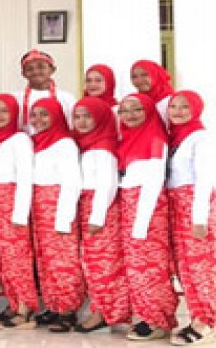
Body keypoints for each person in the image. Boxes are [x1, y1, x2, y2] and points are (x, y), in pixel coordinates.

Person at [166, 91, 216, 345]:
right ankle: (196, 317)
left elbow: (204, 179)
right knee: (186, 267)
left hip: (194, 207)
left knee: (202, 265)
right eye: (173, 106)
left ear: (196, 109)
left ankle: (206, 322)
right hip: (176, 207)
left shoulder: (200, 137)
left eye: (184, 107)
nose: (178, 111)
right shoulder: (175, 137)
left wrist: (199, 218)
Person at [116, 93, 178, 341]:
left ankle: (158, 320)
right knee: (138, 268)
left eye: (137, 109)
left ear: (149, 111)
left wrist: (141, 225)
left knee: (151, 268)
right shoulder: (128, 138)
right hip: (131, 210)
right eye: (124, 110)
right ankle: (147, 316)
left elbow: (153, 182)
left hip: (148, 214)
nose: (129, 115)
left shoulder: (155, 138)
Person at [70, 96, 130, 332]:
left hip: (101, 211)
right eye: (77, 117)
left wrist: (97, 217)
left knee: (102, 262)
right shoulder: (87, 144)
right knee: (93, 262)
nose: (82, 122)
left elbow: (107, 184)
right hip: (89, 206)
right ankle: (103, 309)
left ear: (101, 118)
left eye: (88, 116)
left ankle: (105, 312)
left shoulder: (103, 148)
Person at [28, 97, 84, 332]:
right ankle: (54, 305)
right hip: (39, 207)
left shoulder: (64, 143)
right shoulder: (36, 141)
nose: (38, 120)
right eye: (34, 115)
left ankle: (68, 311)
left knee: (63, 260)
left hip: (57, 207)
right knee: (46, 260)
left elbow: (72, 181)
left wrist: (64, 218)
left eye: (44, 114)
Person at [0, 94, 39, 330]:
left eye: (4, 111)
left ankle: (26, 311)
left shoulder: (20, 139)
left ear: (15, 114)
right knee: (2, 259)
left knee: (17, 259)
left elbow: (26, 177)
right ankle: (14, 303)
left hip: (11, 205)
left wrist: (20, 214)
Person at [16, 49, 76, 130]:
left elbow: (73, 127)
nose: (36, 72)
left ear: (52, 70)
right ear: (23, 73)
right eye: (30, 69)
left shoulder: (67, 98)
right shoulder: (16, 98)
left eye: (41, 67)